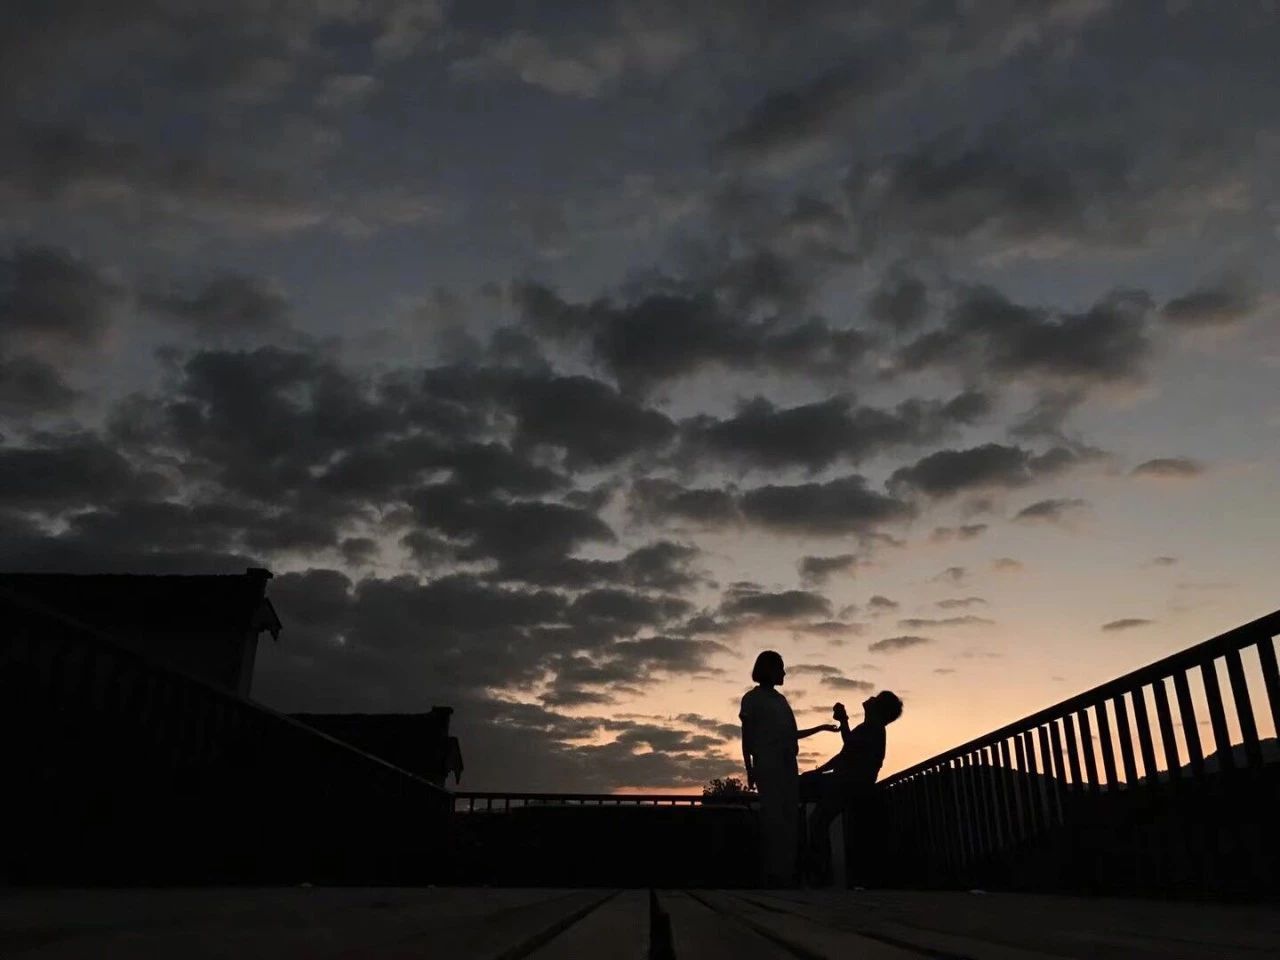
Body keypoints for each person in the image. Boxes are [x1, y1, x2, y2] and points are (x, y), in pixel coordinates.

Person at [739, 651, 838, 886]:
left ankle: (785, 875)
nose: (784, 672)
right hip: (768, 765)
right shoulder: (752, 699)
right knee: (773, 819)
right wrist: (749, 768)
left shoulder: (781, 701)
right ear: (769, 669)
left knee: (789, 820)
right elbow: (747, 736)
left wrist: (822, 728)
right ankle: (773, 875)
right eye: (780, 668)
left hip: (787, 767)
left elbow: (791, 735)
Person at [801, 690, 904, 884]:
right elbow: (846, 752)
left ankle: (821, 873)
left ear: (878, 709)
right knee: (818, 820)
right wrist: (818, 772)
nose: (871, 698)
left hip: (848, 785)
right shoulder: (870, 728)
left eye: (876, 699)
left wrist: (843, 719)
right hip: (847, 783)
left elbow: (847, 750)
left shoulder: (872, 728)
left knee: (818, 821)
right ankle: (821, 872)